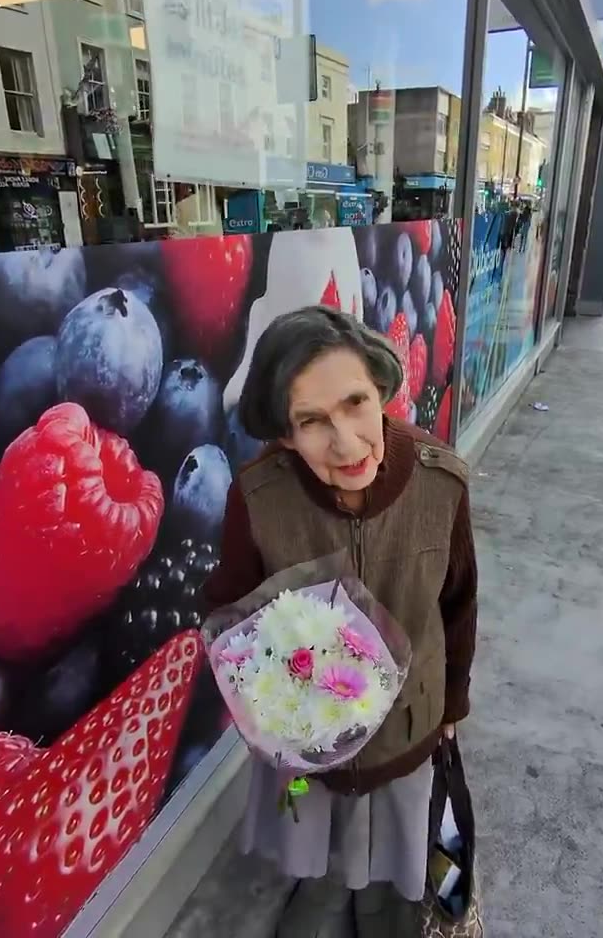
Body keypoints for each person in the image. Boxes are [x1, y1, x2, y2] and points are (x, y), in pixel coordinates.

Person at [203, 306, 478, 937]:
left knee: (397, 879)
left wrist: (452, 706)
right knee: (318, 864)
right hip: (310, 757)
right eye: (312, 421)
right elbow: (229, 615)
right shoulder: (259, 498)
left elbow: (459, 603)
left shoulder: (441, 483)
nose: (348, 443)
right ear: (284, 433)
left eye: (356, 404)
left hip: (408, 735)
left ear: (381, 389)